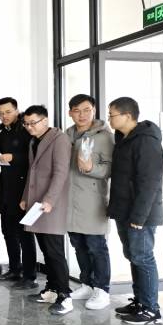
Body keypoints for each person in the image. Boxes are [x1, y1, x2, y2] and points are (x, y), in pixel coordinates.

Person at [107, 96, 163, 325]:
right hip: (124, 211)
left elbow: (149, 182)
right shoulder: (123, 138)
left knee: (143, 257)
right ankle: (140, 302)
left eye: (112, 115)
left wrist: (139, 217)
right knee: (133, 256)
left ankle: (151, 309)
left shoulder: (146, 141)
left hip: (140, 214)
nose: (110, 119)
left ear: (127, 115)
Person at [19, 105, 74, 315]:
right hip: (36, 203)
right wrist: (25, 197)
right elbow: (31, 171)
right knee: (45, 249)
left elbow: (61, 172)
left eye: (33, 123)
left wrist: (50, 200)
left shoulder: (59, 140)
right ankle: (51, 289)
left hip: (51, 204)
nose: (29, 127)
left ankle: (65, 295)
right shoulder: (33, 141)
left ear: (45, 120)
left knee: (54, 251)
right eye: (26, 124)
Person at [63, 95, 114, 311]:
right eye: (77, 110)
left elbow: (111, 169)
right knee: (78, 245)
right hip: (69, 200)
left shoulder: (105, 137)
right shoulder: (66, 135)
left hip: (92, 200)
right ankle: (86, 284)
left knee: (96, 246)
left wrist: (91, 168)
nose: (82, 115)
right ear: (70, 113)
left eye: (86, 110)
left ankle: (102, 289)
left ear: (93, 111)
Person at [0, 98, 36, 288]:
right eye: (1, 113)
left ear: (17, 110)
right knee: (8, 231)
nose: (4, 116)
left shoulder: (26, 130)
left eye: (8, 112)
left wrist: (13, 157)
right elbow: (5, 161)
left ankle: (30, 276)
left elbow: (33, 159)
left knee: (25, 235)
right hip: (6, 189)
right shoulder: (3, 133)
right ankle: (15, 270)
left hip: (23, 190)